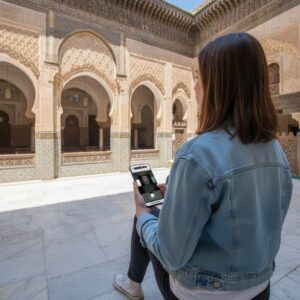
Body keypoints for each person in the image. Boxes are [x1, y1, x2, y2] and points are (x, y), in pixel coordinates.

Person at [113, 32, 293, 300]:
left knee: (148, 214)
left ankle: (132, 283)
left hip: (201, 294)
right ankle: (131, 281)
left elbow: (170, 254)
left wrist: (141, 214)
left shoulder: (197, 154)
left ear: (218, 85)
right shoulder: (276, 151)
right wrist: (179, 191)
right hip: (259, 290)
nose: (195, 87)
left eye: (199, 77)